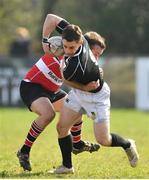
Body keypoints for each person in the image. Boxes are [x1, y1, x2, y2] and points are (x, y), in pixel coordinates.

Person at [42, 14, 139, 174]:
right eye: (65, 46)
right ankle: (67, 166)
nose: (67, 50)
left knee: (103, 140)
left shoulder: (77, 65)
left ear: (80, 43)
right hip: (80, 92)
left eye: (71, 48)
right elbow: (51, 18)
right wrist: (45, 40)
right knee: (62, 127)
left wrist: (56, 56)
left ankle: (127, 144)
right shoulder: (80, 38)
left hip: (96, 96)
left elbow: (65, 80)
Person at [16, 37, 100, 171]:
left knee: (76, 109)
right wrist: (45, 38)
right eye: (94, 53)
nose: (96, 57)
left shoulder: (79, 58)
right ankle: (24, 151)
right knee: (48, 114)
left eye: (98, 55)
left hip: (52, 90)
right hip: (32, 86)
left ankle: (77, 143)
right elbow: (51, 18)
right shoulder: (65, 49)